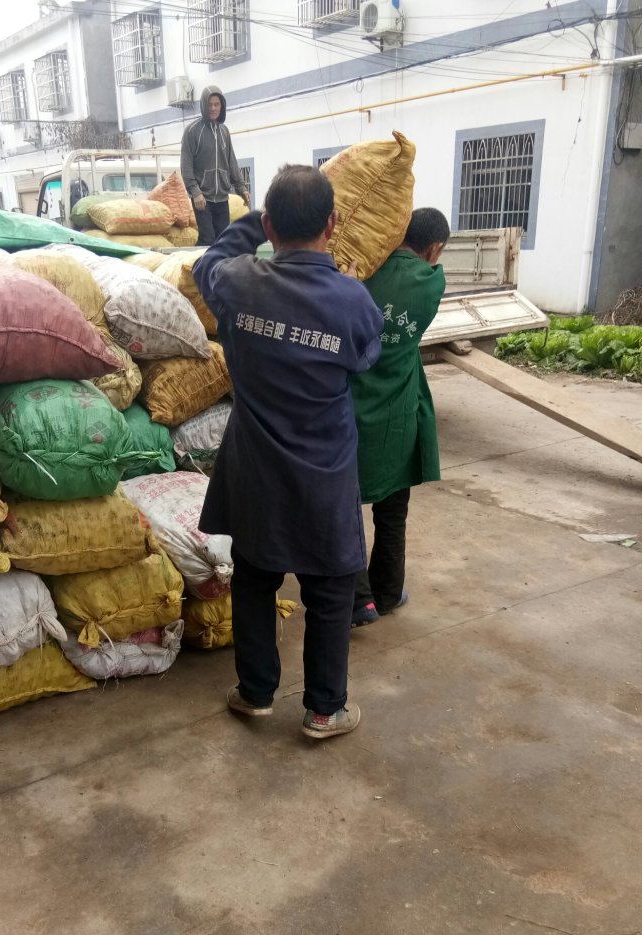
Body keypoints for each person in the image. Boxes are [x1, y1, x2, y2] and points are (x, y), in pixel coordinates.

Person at [193, 165, 384, 740]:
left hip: (255, 468)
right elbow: (365, 357)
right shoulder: (353, 299)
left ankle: (255, 693)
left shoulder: (236, 282)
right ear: (335, 223)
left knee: (254, 580)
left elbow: (205, 261)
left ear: (270, 225)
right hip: (323, 472)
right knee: (328, 592)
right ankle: (325, 710)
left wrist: (254, 220)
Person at [350, 207, 451, 627]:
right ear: (435, 248)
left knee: (344, 509)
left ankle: (358, 603)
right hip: (397, 412)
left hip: (350, 406)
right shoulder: (432, 281)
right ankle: (387, 595)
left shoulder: (363, 269)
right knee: (392, 511)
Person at [181, 86, 250, 246]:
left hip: (222, 197)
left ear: (222, 105)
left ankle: (218, 270)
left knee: (223, 241)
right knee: (208, 240)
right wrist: (195, 192)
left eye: (217, 104)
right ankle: (197, 269)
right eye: (210, 104)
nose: (213, 108)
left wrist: (241, 187)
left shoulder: (224, 131)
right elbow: (186, 166)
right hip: (202, 198)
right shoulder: (192, 131)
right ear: (204, 105)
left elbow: (231, 161)